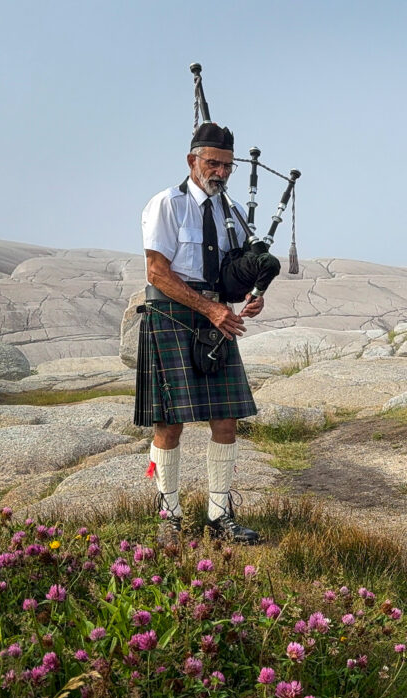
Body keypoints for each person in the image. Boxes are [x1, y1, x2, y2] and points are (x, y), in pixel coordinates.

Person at [133, 122, 262, 545]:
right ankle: (169, 514)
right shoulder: (167, 204)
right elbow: (157, 272)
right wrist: (211, 309)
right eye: (213, 163)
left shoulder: (234, 213)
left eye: (227, 165)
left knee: (226, 419)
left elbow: (236, 271)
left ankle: (220, 515)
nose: (220, 172)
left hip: (216, 315)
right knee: (170, 423)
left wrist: (251, 295)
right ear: (192, 161)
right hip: (172, 313)